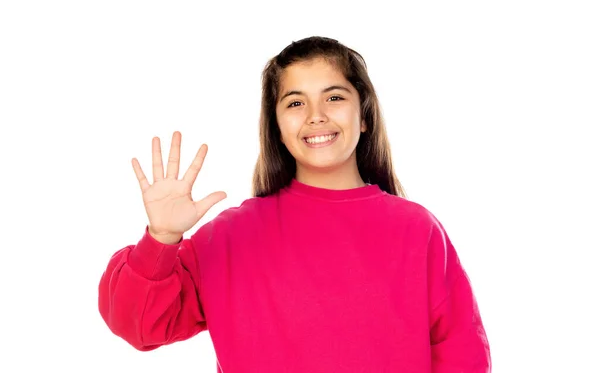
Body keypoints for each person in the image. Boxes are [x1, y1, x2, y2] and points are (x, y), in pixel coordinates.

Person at [98, 36, 491, 372]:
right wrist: (161, 239)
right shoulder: (230, 236)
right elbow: (139, 324)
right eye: (295, 103)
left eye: (334, 97)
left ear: (365, 115)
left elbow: (463, 357)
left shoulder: (417, 230)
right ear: (276, 125)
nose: (316, 116)